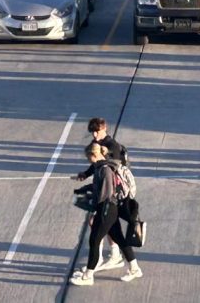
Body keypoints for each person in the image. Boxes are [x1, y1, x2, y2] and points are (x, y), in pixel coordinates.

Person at [69, 142, 141, 286]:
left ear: (94, 155)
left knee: (94, 241)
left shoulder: (105, 169)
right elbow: (98, 186)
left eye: (88, 158)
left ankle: (88, 276)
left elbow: (106, 193)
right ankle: (134, 268)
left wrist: (97, 210)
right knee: (119, 239)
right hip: (110, 209)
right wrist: (82, 190)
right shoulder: (103, 167)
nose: (88, 161)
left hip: (107, 209)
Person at [71, 118, 127, 272]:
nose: (95, 135)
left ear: (105, 128)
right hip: (107, 191)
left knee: (96, 223)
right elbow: (96, 163)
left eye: (97, 131)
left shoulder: (112, 146)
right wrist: (86, 174)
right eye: (92, 132)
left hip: (112, 193)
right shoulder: (100, 145)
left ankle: (103, 258)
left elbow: (110, 168)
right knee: (109, 226)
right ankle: (116, 256)